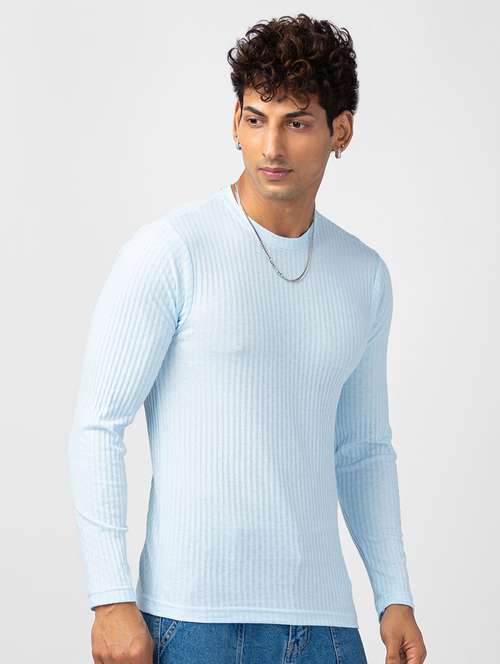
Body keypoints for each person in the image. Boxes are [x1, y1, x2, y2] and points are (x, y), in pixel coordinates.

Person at [68, 12, 427, 664]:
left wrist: (393, 595)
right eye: (257, 119)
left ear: (341, 130)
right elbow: (98, 423)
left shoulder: (364, 275)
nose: (271, 148)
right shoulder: (172, 251)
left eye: (297, 123)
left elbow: (363, 449)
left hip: (324, 628)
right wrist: (110, 596)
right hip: (189, 622)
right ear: (235, 120)